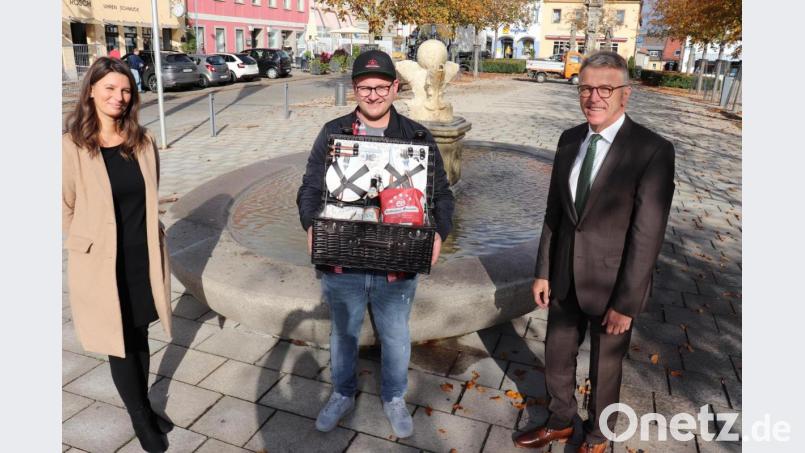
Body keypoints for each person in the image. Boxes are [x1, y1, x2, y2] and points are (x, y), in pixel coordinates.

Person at [514, 51, 675, 453]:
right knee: (556, 356)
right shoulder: (570, 139)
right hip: (565, 276)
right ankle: (562, 420)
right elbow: (554, 211)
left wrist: (627, 302)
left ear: (626, 94)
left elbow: (647, 234)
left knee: (606, 368)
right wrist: (543, 270)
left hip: (612, 284)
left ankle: (600, 434)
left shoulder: (652, 150)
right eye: (586, 88)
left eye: (606, 88)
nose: (594, 97)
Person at [296, 50, 454, 438]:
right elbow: (311, 187)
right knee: (343, 334)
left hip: (398, 258)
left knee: (397, 335)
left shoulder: (417, 136)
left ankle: (394, 397)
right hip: (342, 255)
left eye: (381, 87)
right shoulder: (333, 133)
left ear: (395, 87)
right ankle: (343, 393)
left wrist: (437, 233)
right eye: (365, 88)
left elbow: (442, 196)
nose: (373, 95)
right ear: (354, 89)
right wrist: (310, 225)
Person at [63, 57, 174, 453]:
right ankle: (140, 418)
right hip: (101, 262)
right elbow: (64, 205)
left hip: (141, 256)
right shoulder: (72, 145)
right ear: (91, 90)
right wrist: (85, 243)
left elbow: (148, 197)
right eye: (109, 88)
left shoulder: (142, 142)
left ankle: (142, 403)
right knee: (119, 342)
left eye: (125, 90)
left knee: (140, 333)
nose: (118, 97)